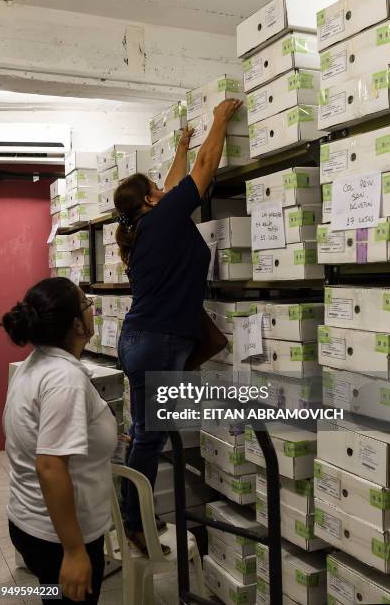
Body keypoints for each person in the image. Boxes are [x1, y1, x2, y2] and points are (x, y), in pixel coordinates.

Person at [114, 98, 243, 554]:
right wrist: (220, 120)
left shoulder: (149, 226)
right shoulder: (164, 220)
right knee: (148, 436)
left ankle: (129, 513)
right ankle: (133, 523)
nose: (163, 191)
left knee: (143, 433)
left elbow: (175, 184)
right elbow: (206, 169)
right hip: (158, 341)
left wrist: (183, 143)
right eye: (155, 189)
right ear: (150, 201)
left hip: (137, 340)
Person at [1, 278, 118, 604]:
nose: (92, 308)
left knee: (51, 595)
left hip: (31, 522)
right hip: (60, 536)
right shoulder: (65, 379)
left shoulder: (35, 365)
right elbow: (50, 466)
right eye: (86, 303)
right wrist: (75, 552)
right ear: (76, 324)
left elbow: (41, 435)